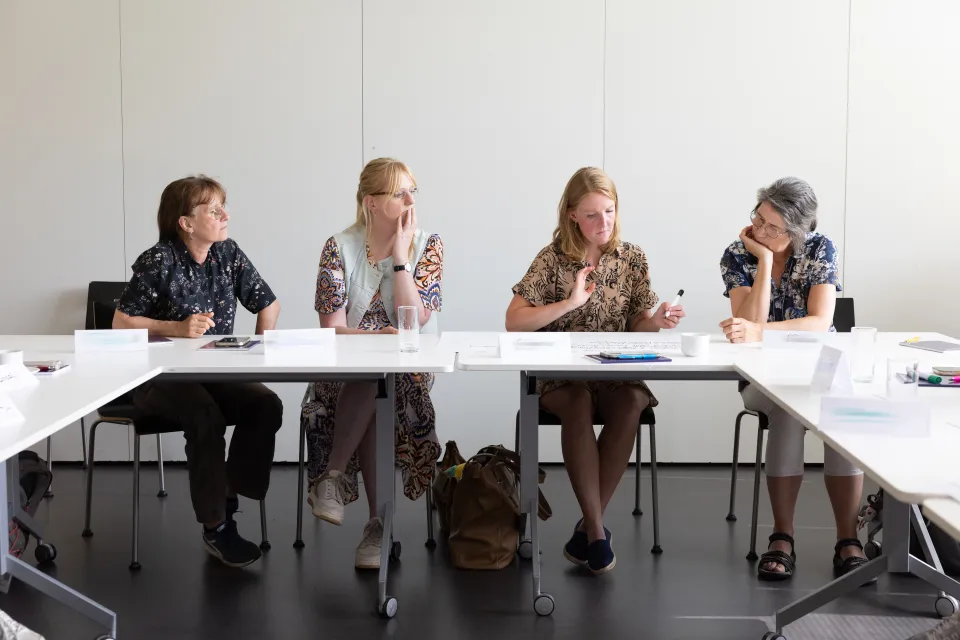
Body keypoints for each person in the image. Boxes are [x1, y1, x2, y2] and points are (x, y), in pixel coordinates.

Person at [505, 167, 685, 575]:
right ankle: (598, 535)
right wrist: (569, 304)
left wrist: (656, 320)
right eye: (591, 215)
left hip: (613, 370)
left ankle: (588, 528)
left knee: (633, 400)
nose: (603, 223)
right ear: (571, 215)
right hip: (561, 374)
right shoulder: (552, 259)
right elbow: (514, 321)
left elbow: (637, 324)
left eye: (609, 211)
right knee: (578, 402)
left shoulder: (632, 257)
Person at [114, 175, 283, 568]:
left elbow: (268, 305)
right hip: (157, 377)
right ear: (186, 223)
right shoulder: (158, 260)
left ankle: (227, 490)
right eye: (214, 209)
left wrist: (259, 350)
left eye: (224, 205)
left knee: (265, 405)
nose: (226, 215)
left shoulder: (229, 254)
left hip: (214, 370)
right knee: (205, 416)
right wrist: (174, 328)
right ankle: (217, 526)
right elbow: (121, 324)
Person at [719, 176, 871, 583]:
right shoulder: (739, 254)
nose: (760, 231)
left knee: (840, 410)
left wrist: (761, 331)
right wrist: (765, 263)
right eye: (758, 219)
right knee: (787, 409)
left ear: (799, 230)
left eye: (773, 227)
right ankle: (782, 536)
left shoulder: (821, 249)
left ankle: (847, 539)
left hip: (819, 368)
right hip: (762, 377)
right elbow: (746, 323)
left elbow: (821, 323)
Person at [302, 157, 443, 570]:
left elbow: (415, 321)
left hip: (409, 374)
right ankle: (379, 528)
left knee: (384, 382)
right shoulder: (338, 247)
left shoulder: (427, 245)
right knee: (372, 378)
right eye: (400, 193)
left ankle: (333, 478)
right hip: (342, 375)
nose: (410, 200)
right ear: (372, 203)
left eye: (412, 191)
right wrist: (375, 342)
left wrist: (401, 259)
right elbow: (332, 330)